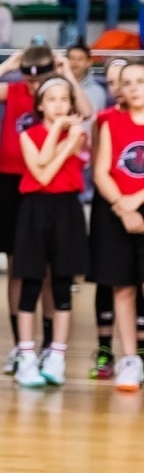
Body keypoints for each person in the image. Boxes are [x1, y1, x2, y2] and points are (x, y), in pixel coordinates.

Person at [0, 45, 92, 366]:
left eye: (39, 78)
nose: (32, 84)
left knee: (54, 272)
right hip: (14, 183)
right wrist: (9, 64)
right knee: (19, 269)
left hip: (54, 190)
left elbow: (86, 110)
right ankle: (20, 345)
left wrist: (67, 74)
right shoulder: (14, 90)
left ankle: (51, 344)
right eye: (28, 78)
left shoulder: (60, 99)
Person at [10, 78, 88, 387]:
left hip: (67, 208)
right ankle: (27, 356)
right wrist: (62, 139)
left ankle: (57, 355)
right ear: (40, 105)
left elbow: (48, 165)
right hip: (34, 209)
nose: (58, 105)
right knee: (30, 283)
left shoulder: (79, 134)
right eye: (51, 99)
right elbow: (41, 171)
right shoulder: (28, 135)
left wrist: (69, 141)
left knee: (62, 285)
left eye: (64, 99)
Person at [90, 60, 144, 391]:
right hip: (118, 210)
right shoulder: (111, 121)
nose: (135, 88)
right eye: (129, 82)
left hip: (135, 202)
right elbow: (101, 171)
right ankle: (130, 359)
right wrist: (123, 208)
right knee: (122, 287)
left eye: (141, 81)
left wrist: (137, 200)